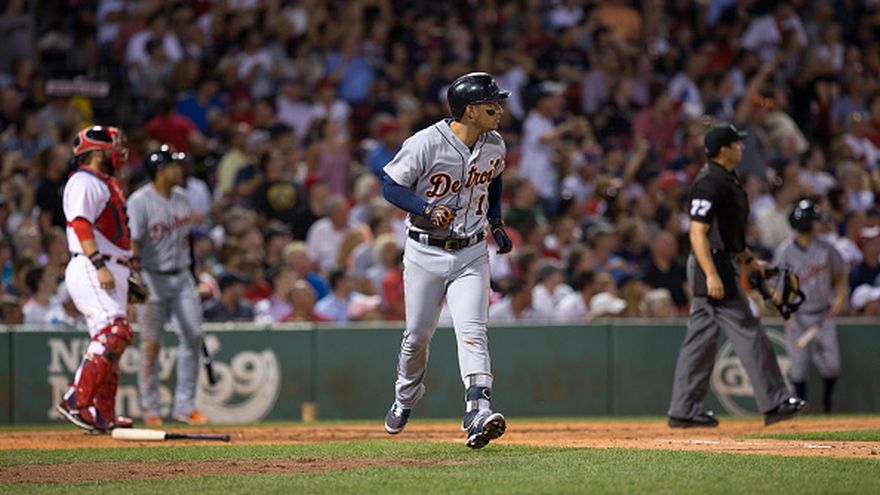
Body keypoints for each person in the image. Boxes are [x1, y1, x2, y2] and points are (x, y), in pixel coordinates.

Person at [380, 72, 514, 449]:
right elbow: (390, 185)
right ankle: (405, 396)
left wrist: (496, 223)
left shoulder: (494, 143)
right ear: (470, 111)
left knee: (473, 330)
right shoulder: (425, 142)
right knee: (416, 337)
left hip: (472, 250)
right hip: (425, 251)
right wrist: (425, 207)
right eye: (492, 105)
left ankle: (477, 412)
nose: (500, 110)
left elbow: (494, 179)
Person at [668, 123, 806, 428]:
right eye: (736, 143)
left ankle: (683, 409)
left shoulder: (726, 179)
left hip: (720, 260)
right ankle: (775, 401)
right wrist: (711, 275)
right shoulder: (708, 182)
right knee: (748, 329)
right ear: (723, 150)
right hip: (711, 264)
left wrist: (748, 260)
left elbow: (728, 234)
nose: (741, 147)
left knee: (700, 340)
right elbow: (697, 232)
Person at [56, 125, 135, 432]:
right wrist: (99, 264)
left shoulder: (105, 182)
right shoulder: (84, 181)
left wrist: (129, 271)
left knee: (112, 342)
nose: (118, 153)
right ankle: (76, 400)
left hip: (112, 266)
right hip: (92, 264)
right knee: (115, 333)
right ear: (96, 153)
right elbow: (80, 224)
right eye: (112, 148)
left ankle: (103, 414)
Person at [127, 145, 207, 427]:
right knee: (151, 344)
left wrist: (196, 272)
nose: (179, 169)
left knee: (193, 336)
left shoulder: (181, 196)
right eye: (173, 165)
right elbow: (133, 243)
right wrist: (134, 280)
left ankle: (185, 406)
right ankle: (150, 408)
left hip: (182, 276)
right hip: (152, 277)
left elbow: (188, 240)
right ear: (160, 171)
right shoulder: (139, 201)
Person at [774, 199, 847, 413]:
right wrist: (786, 313)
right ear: (805, 223)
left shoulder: (826, 247)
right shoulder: (785, 251)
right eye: (814, 220)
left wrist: (840, 297)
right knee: (798, 367)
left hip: (823, 314)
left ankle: (826, 404)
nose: (819, 224)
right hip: (798, 316)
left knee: (832, 366)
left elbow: (841, 272)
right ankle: (802, 408)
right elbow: (777, 288)